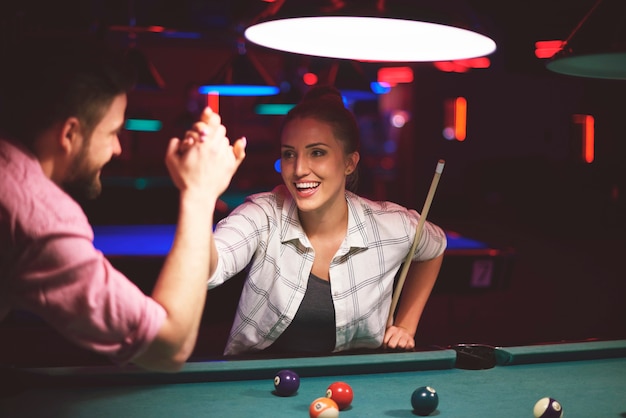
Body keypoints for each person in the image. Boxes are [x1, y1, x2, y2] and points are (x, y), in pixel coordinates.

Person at [0, 36, 246, 372]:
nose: (117, 148)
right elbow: (168, 346)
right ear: (70, 133)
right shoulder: (33, 211)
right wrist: (200, 192)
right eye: (113, 131)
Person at [207, 85, 446, 356]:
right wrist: (201, 197)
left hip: (357, 386)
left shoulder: (388, 225)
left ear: (349, 163)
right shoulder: (261, 215)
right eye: (289, 154)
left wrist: (405, 325)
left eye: (317, 152)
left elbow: (435, 245)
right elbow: (211, 268)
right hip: (255, 385)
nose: (298, 169)